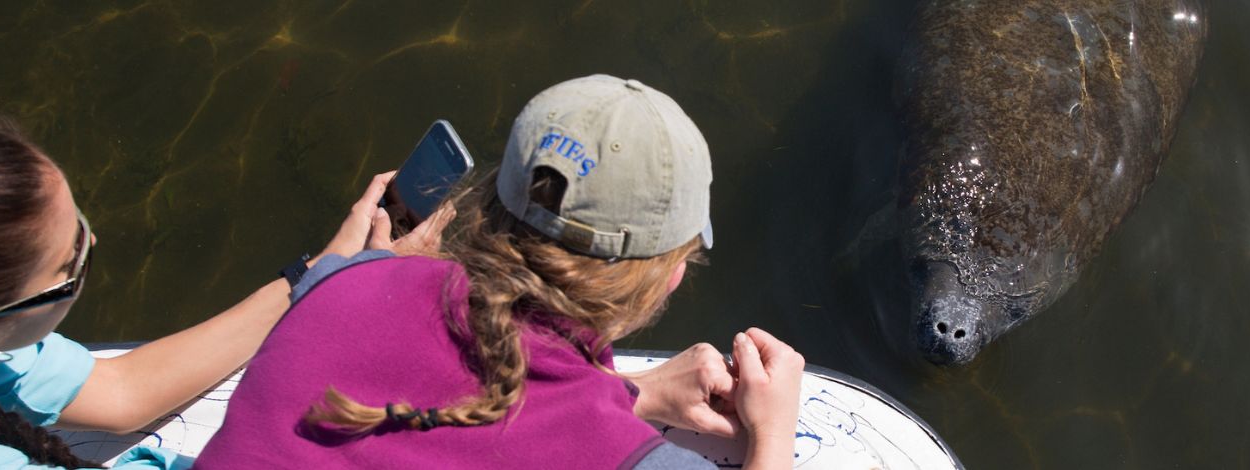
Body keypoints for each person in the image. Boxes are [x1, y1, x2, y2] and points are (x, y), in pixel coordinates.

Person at [195, 75, 806, 469]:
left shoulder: (336, 280)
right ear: (668, 275)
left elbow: (462, 413)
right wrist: (771, 431)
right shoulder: (627, 461)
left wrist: (634, 397)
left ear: (489, 196)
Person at [0, 112, 451, 468]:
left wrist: (329, 267)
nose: (92, 242)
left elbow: (122, 392)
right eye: (71, 258)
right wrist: (366, 315)